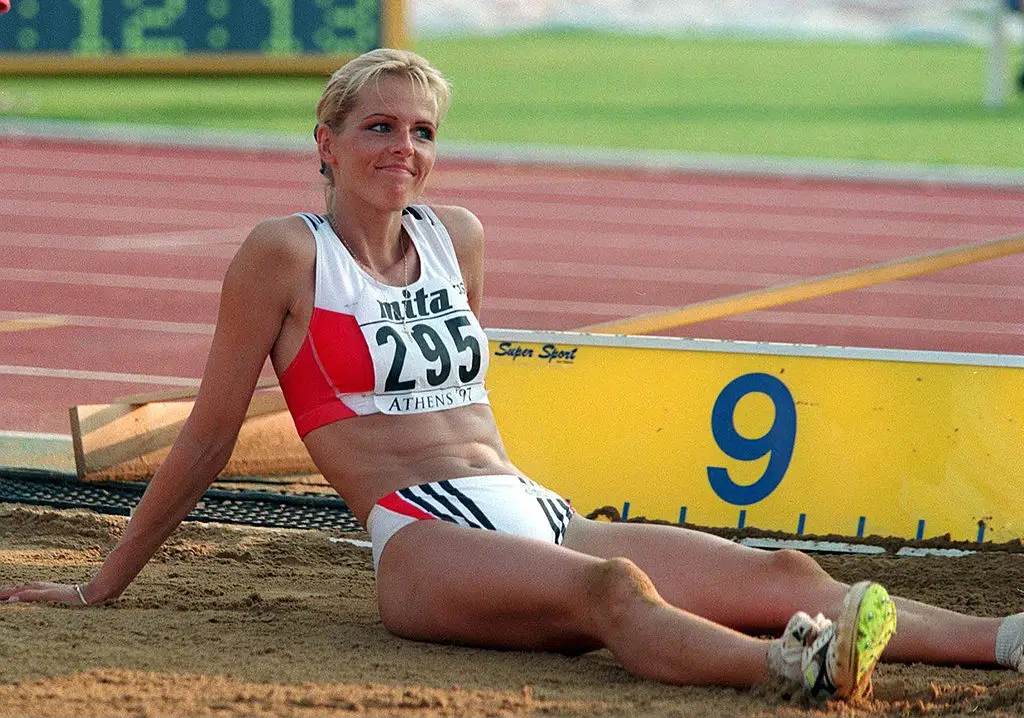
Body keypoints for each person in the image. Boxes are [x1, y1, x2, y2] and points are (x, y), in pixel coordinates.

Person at [2, 48, 1022, 701]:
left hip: (532, 507)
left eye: (421, 131)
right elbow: (213, 432)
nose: (404, 146)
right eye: (379, 126)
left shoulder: (458, 237)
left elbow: (461, 398)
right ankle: (793, 666)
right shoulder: (282, 254)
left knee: (781, 572)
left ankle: (1003, 638)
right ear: (324, 142)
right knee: (614, 593)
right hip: (423, 538)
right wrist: (103, 583)